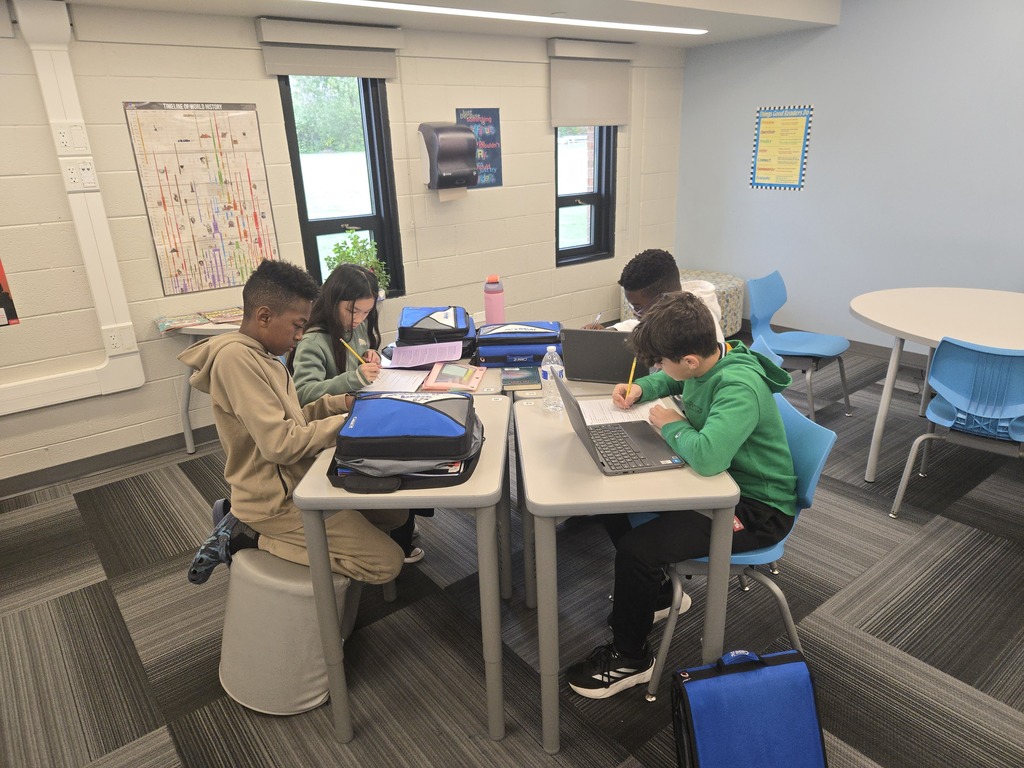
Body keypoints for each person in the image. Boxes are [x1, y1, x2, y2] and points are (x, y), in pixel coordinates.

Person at [566, 291, 797, 699]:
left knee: (638, 549)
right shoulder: (708, 360)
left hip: (755, 509)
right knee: (613, 507)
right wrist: (641, 389)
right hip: (718, 486)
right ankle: (657, 595)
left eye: (661, 360)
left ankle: (630, 658)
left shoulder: (738, 387)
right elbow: (673, 379)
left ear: (690, 360)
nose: (659, 368)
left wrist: (672, 424)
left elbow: (708, 457)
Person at [180, 259, 406, 585]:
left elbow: (295, 418)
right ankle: (246, 537)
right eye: (297, 326)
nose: (300, 336)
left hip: (301, 476)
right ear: (264, 316)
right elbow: (281, 445)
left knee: (395, 513)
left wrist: (342, 403)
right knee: (386, 563)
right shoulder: (236, 360)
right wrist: (348, 423)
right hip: (274, 504)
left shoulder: (264, 356)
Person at [290, 262, 428, 565]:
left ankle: (401, 519)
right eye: (352, 311)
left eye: (366, 312)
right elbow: (302, 394)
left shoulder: (356, 327)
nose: (359, 319)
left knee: (411, 432)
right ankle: (398, 532)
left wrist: (370, 357)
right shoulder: (313, 340)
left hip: (359, 409)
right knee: (395, 450)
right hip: (334, 424)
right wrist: (352, 378)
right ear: (333, 300)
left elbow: (357, 362)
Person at [583, 248, 725, 343]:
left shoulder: (696, 329)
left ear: (662, 300)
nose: (634, 313)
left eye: (638, 307)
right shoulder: (674, 303)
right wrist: (610, 332)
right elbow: (641, 325)